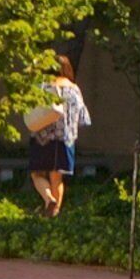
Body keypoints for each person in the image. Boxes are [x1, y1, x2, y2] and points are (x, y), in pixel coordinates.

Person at [26, 53, 91, 217]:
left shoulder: (42, 86)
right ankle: (54, 216)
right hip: (66, 140)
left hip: (42, 137)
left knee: (37, 174)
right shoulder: (74, 89)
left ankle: (48, 199)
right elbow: (83, 118)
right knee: (57, 179)